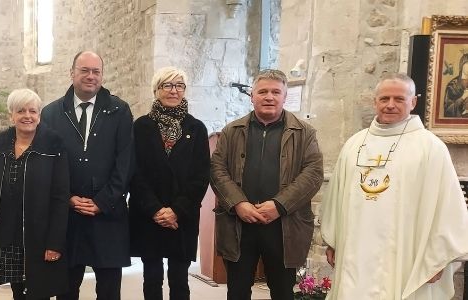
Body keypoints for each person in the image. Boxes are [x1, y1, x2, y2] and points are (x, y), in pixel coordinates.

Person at [320, 73, 468, 299]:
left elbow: (446, 206)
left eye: (399, 99)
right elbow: (336, 199)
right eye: (384, 99)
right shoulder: (354, 144)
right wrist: (333, 240)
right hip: (355, 251)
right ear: (375, 101)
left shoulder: (431, 148)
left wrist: (437, 259)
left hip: (405, 254)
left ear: (413, 102)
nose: (390, 105)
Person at [210, 69, 323, 300]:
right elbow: (217, 170)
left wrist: (279, 205)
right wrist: (239, 203)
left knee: (282, 292)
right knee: (237, 291)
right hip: (240, 225)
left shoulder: (304, 132)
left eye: (275, 92)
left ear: (284, 96)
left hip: (284, 225)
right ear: (252, 96)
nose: (269, 97)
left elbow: (313, 173)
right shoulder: (232, 131)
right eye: (262, 91)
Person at [40, 50, 134, 300]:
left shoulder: (119, 110)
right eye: (84, 70)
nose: (90, 76)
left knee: (109, 290)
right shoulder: (50, 113)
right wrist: (68, 197)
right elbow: (46, 165)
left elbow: (125, 162)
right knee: (66, 290)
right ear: (72, 73)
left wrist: (103, 202)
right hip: (68, 216)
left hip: (108, 213)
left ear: (102, 76)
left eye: (96, 71)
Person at [128, 67, 210, 300]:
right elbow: (134, 172)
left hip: (181, 216)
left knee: (179, 279)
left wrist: (176, 211)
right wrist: (155, 210)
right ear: (156, 90)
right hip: (148, 213)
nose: (173, 91)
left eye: (179, 86)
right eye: (167, 85)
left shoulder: (196, 128)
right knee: (151, 277)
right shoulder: (141, 126)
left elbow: (201, 175)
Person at [0, 89, 70, 299]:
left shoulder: (54, 148)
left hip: (39, 237)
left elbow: (60, 197)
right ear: (11, 115)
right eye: (20, 111)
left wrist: (54, 242)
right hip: (6, 236)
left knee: (38, 292)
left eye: (33, 111)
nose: (27, 116)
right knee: (17, 292)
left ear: (39, 115)